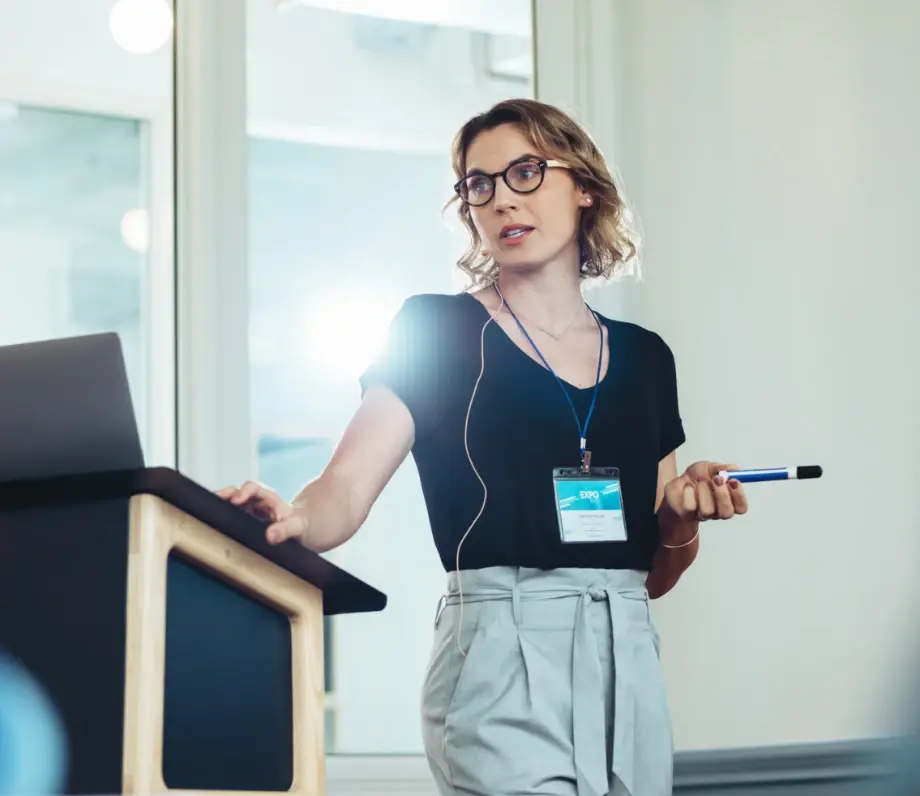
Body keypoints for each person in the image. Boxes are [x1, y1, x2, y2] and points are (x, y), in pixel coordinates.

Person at [218, 98, 749, 796]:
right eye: (480, 184)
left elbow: (649, 575)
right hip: (498, 652)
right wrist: (293, 518)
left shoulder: (648, 360)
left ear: (584, 186)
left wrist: (681, 518)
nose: (501, 199)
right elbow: (343, 489)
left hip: (627, 661)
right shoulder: (434, 329)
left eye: (526, 172)